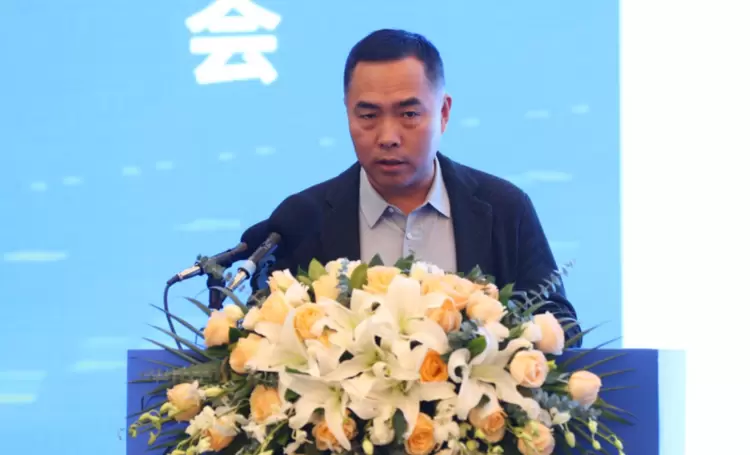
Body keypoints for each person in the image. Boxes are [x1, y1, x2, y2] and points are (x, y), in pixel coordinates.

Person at [269, 29, 581, 345]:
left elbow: (561, 327)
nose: (388, 137)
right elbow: (265, 336)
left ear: (443, 113)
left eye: (409, 114)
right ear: (348, 112)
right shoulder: (302, 218)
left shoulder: (504, 208)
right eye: (368, 115)